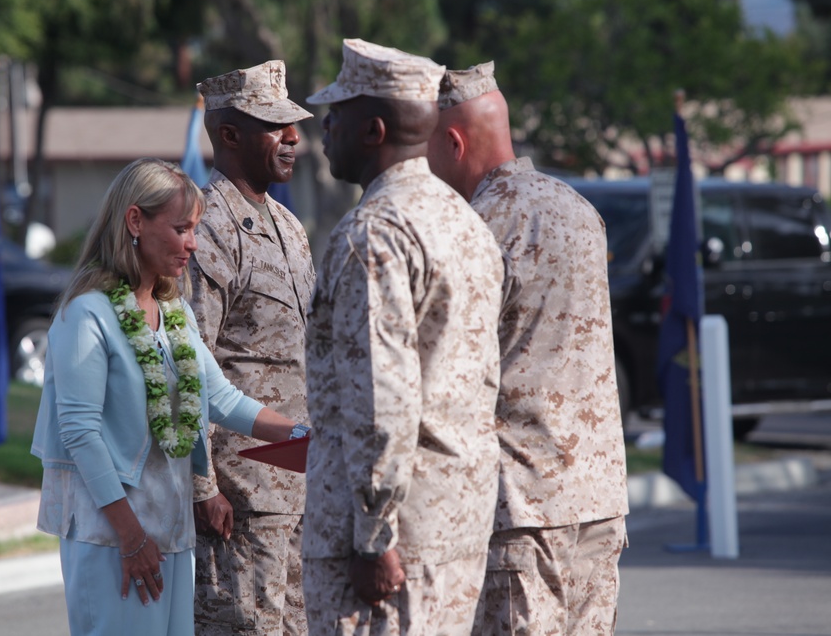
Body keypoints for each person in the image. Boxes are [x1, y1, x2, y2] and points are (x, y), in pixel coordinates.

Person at [30, 157, 300, 636]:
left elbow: (222, 397)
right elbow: (79, 432)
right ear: (135, 221)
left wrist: (303, 436)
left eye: (194, 229)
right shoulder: (87, 314)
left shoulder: (174, 313)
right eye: (181, 229)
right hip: (112, 536)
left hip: (170, 533)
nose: (192, 244)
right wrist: (131, 537)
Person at [302, 38, 506, 636]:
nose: (324, 126)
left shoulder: (375, 234)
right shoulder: (464, 220)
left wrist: (372, 536)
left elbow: (380, 401)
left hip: (389, 548)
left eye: (336, 113)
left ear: (373, 130)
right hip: (453, 525)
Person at [427, 62, 629, 636]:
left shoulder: (475, 227)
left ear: (454, 140)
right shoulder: (579, 210)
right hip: (597, 497)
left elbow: (445, 373)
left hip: (519, 510)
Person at [188, 60, 315, 635]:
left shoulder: (289, 225)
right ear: (229, 134)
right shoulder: (206, 226)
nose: (293, 137)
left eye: (294, 124)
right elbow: (187, 367)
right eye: (275, 125)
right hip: (241, 498)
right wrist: (202, 486)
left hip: (301, 484)